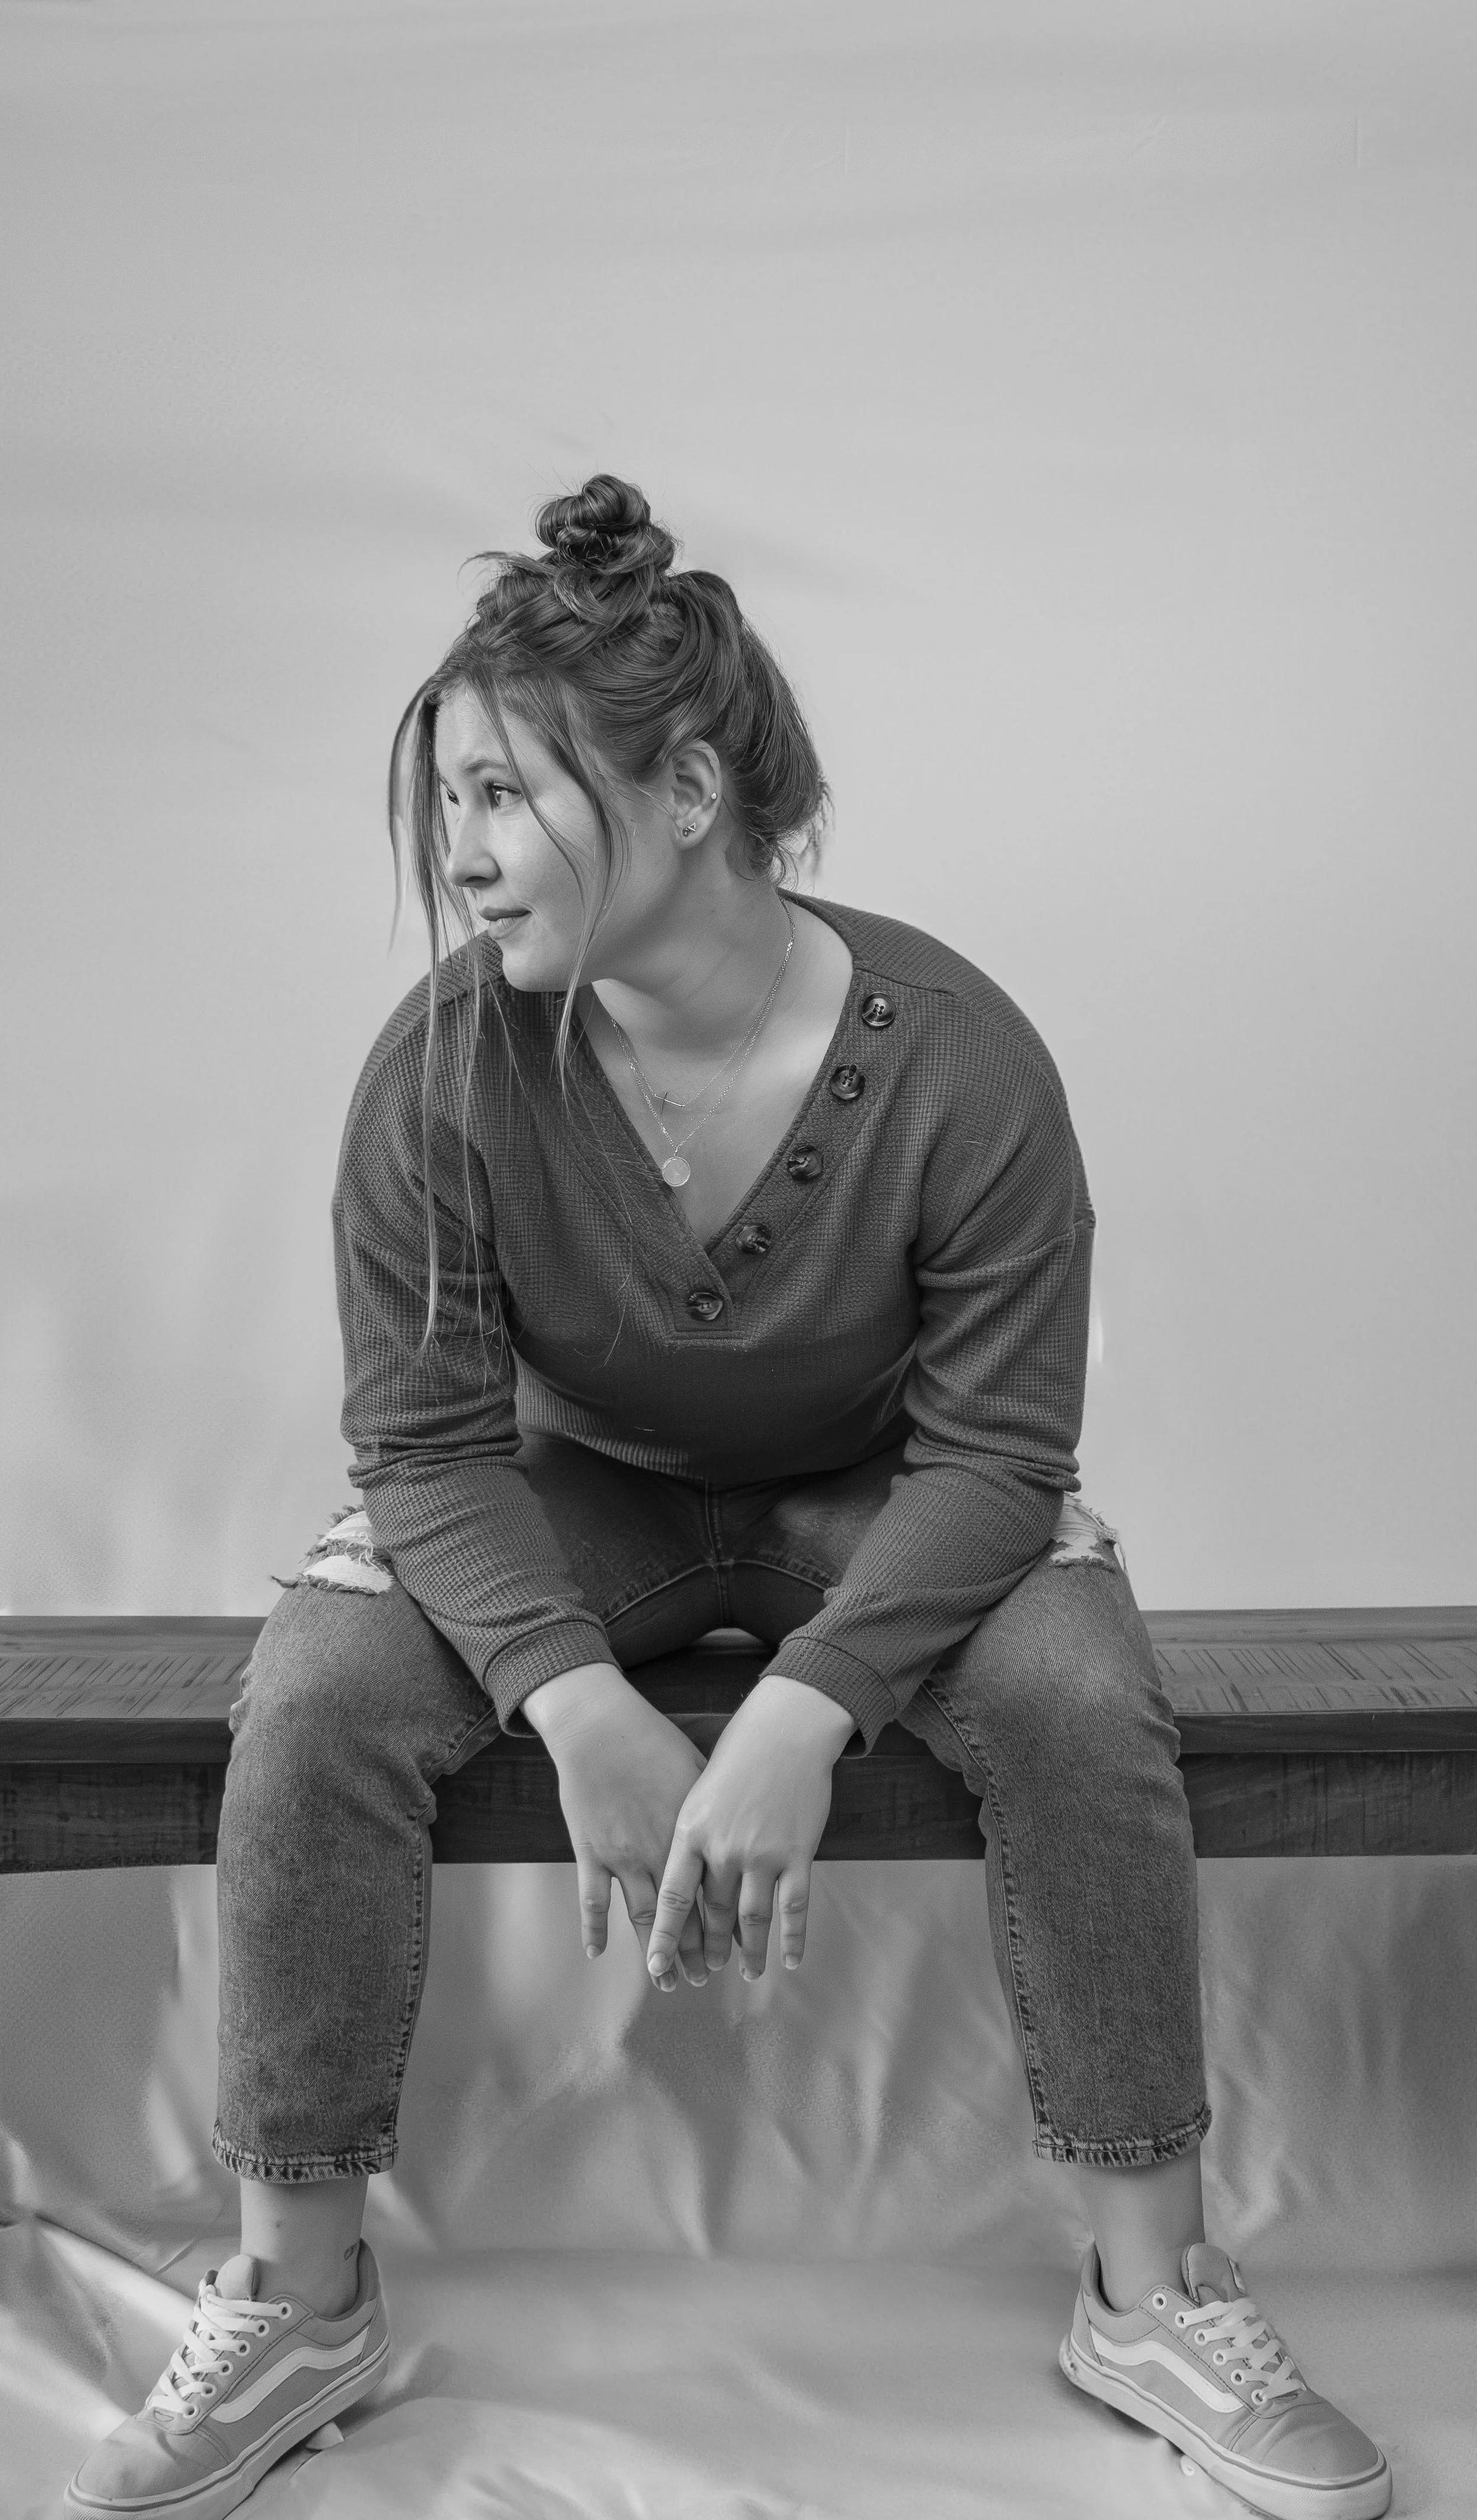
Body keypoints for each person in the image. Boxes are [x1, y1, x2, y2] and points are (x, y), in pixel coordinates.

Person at [66, 474, 1390, 2520]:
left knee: (1073, 1693)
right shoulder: (443, 1068)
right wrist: (578, 1702)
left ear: (687, 789)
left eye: (505, 795)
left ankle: (1153, 2293)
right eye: (449, 799)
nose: (459, 851)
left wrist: (803, 1711)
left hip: (890, 1500)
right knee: (314, 1693)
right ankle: (296, 2301)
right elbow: (421, 1449)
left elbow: (998, 1456)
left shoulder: (958, 1059)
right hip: (573, 1502)